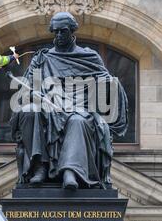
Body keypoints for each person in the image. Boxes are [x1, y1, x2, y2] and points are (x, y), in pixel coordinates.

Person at [10, 12, 128, 190]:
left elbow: (107, 84)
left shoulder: (89, 57)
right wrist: (33, 94)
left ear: (72, 31)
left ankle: (70, 171)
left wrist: (109, 85)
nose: (58, 35)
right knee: (28, 111)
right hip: (47, 107)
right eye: (55, 32)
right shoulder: (42, 58)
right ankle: (39, 166)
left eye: (62, 31)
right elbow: (26, 89)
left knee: (77, 120)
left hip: (79, 107)